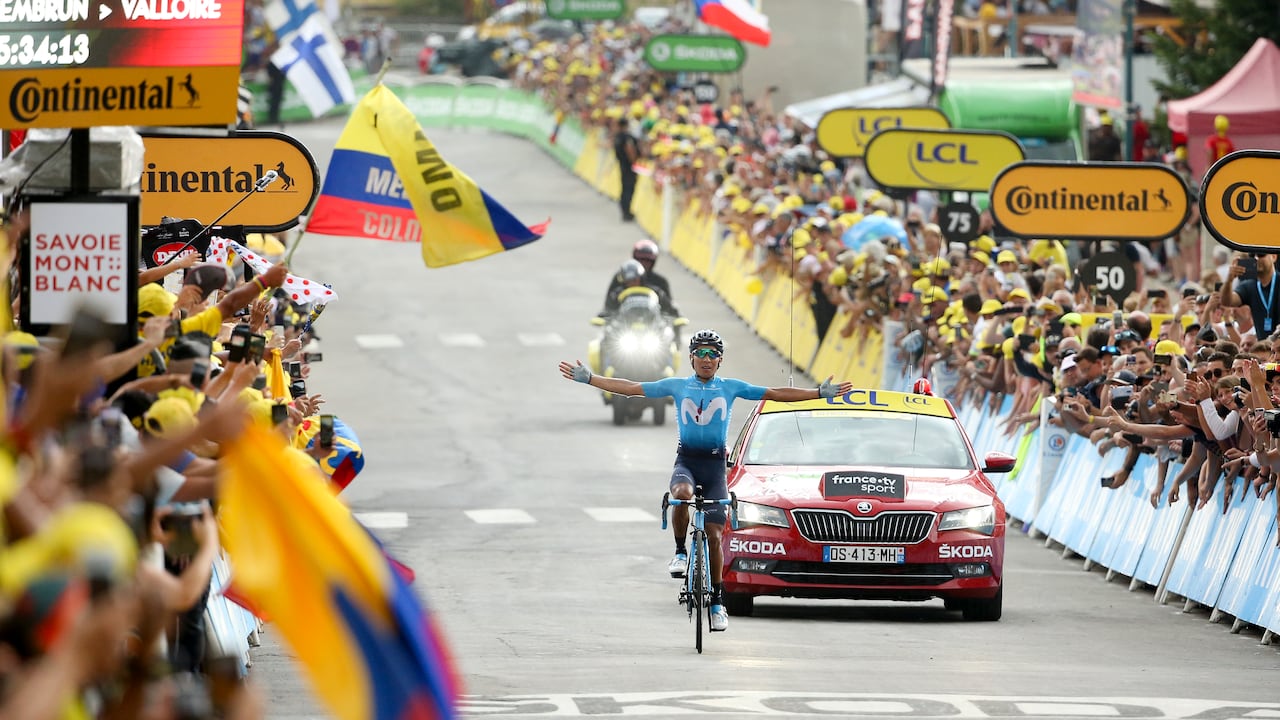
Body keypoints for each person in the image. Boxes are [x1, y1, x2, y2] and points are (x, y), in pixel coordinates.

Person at [559, 330, 852, 632]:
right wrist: (591, 378)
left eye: (713, 354)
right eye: (701, 353)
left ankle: (717, 601)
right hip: (687, 461)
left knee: (714, 534)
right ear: (691, 358)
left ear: (721, 360)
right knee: (681, 494)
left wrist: (818, 393)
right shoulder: (677, 385)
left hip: (714, 468)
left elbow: (775, 393)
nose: (707, 359)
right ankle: (679, 552)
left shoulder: (731, 387)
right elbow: (632, 388)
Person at [602, 241, 679, 317]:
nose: (644, 263)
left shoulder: (659, 286)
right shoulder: (617, 287)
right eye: (640, 259)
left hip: (652, 323)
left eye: (648, 260)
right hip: (624, 323)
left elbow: (670, 310)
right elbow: (608, 308)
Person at [613, 117, 639, 222]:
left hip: (622, 166)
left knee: (624, 189)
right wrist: (634, 163)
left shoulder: (617, 137)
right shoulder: (627, 138)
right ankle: (626, 212)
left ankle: (624, 211)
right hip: (629, 167)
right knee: (628, 189)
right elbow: (630, 150)